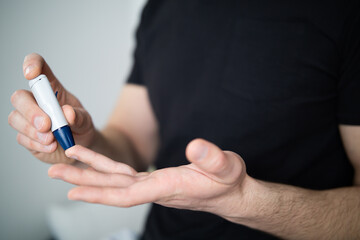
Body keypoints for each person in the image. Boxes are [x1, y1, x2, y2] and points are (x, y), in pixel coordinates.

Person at [8, 1, 360, 239]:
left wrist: (245, 200)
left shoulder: (342, 11)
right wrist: (83, 142)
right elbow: (130, 143)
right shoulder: (161, 8)